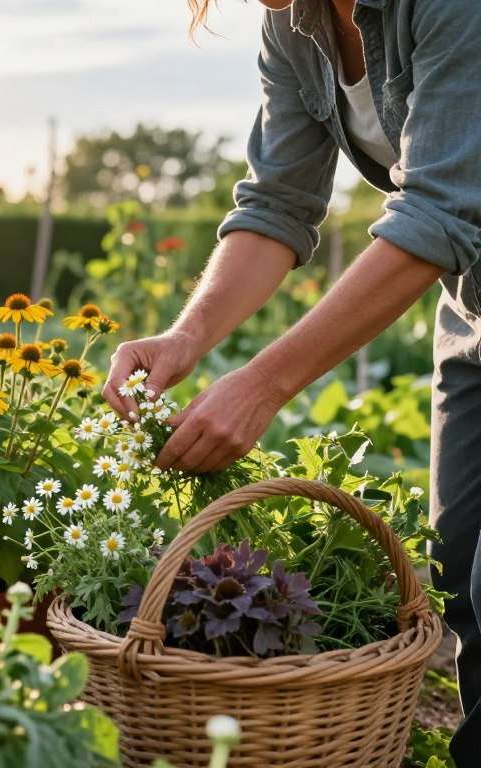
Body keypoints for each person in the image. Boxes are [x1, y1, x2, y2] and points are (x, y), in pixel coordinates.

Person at [102, 1, 481, 764]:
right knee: (461, 576)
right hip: (474, 321)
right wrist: (188, 335)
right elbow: (278, 203)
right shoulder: (293, 25)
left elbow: (440, 208)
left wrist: (264, 384)